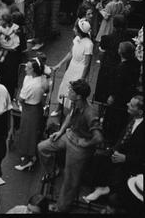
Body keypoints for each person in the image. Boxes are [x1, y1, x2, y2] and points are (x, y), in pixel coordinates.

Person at [38, 79, 104, 213]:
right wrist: (60, 132)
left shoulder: (90, 113)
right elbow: (70, 116)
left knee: (70, 179)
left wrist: (86, 143)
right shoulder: (76, 103)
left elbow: (99, 137)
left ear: (78, 96)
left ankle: (61, 207)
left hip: (79, 147)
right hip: (69, 136)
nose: (68, 92)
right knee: (42, 147)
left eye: (71, 91)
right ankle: (53, 172)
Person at [83, 95, 144, 204]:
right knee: (98, 158)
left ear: (140, 112)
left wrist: (125, 158)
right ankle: (98, 189)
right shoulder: (131, 118)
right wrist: (114, 150)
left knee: (118, 173)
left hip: (131, 163)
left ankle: (105, 192)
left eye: (131, 105)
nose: (127, 105)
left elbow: (141, 157)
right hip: (118, 152)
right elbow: (122, 139)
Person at [52, 18, 93, 115]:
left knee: (75, 92)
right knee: (63, 86)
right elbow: (70, 53)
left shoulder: (89, 44)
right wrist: (59, 64)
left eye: (75, 28)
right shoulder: (76, 38)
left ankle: (72, 113)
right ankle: (59, 109)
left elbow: (87, 64)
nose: (73, 29)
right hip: (71, 67)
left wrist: (82, 78)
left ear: (79, 31)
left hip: (80, 71)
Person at [102, 41, 141, 144]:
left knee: (113, 117)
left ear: (121, 52)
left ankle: (109, 139)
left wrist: (112, 96)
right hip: (128, 95)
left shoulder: (121, 68)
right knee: (122, 117)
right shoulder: (136, 63)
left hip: (118, 98)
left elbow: (117, 84)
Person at [14, 58, 49, 171]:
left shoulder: (32, 85)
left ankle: (28, 160)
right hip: (36, 107)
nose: (25, 69)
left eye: (28, 67)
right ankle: (31, 156)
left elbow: (21, 99)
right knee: (32, 133)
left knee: (27, 135)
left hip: (29, 110)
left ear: (33, 70)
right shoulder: (41, 79)